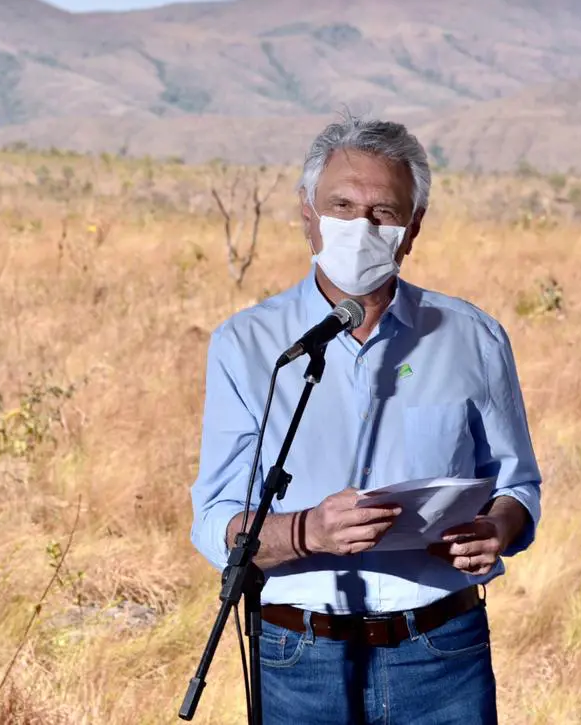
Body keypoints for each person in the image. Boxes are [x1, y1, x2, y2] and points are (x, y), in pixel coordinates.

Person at [189, 115, 542, 724]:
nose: (361, 226)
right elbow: (217, 519)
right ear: (307, 214)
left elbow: (516, 485)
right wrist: (308, 531)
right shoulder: (249, 345)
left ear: (413, 228)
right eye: (342, 205)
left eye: (383, 212)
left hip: (441, 648)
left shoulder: (473, 337)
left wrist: (499, 529)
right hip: (300, 653)